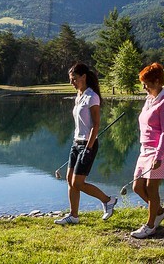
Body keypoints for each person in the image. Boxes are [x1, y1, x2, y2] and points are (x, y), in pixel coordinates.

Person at [54, 62, 118, 225]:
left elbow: (96, 125)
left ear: (83, 77)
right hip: (76, 143)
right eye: (70, 79)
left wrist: (88, 148)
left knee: (78, 182)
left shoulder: (92, 96)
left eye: (74, 79)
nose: (71, 82)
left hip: (87, 145)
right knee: (70, 179)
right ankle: (73, 216)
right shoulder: (79, 96)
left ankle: (108, 200)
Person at [130, 63, 164, 239]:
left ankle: (150, 226)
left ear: (157, 81)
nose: (144, 87)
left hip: (160, 150)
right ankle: (160, 212)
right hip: (145, 150)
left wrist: (158, 155)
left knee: (151, 187)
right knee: (137, 187)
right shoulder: (150, 99)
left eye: (146, 83)